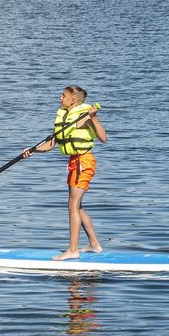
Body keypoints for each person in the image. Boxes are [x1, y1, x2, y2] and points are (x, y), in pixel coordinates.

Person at [22, 85, 108, 260]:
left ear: (73, 100)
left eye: (63, 95)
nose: (60, 98)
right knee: (77, 205)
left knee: (72, 204)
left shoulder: (84, 116)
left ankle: (73, 249)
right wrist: (33, 150)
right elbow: (52, 143)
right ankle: (94, 244)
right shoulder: (64, 116)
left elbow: (103, 138)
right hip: (74, 162)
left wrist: (94, 118)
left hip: (83, 161)